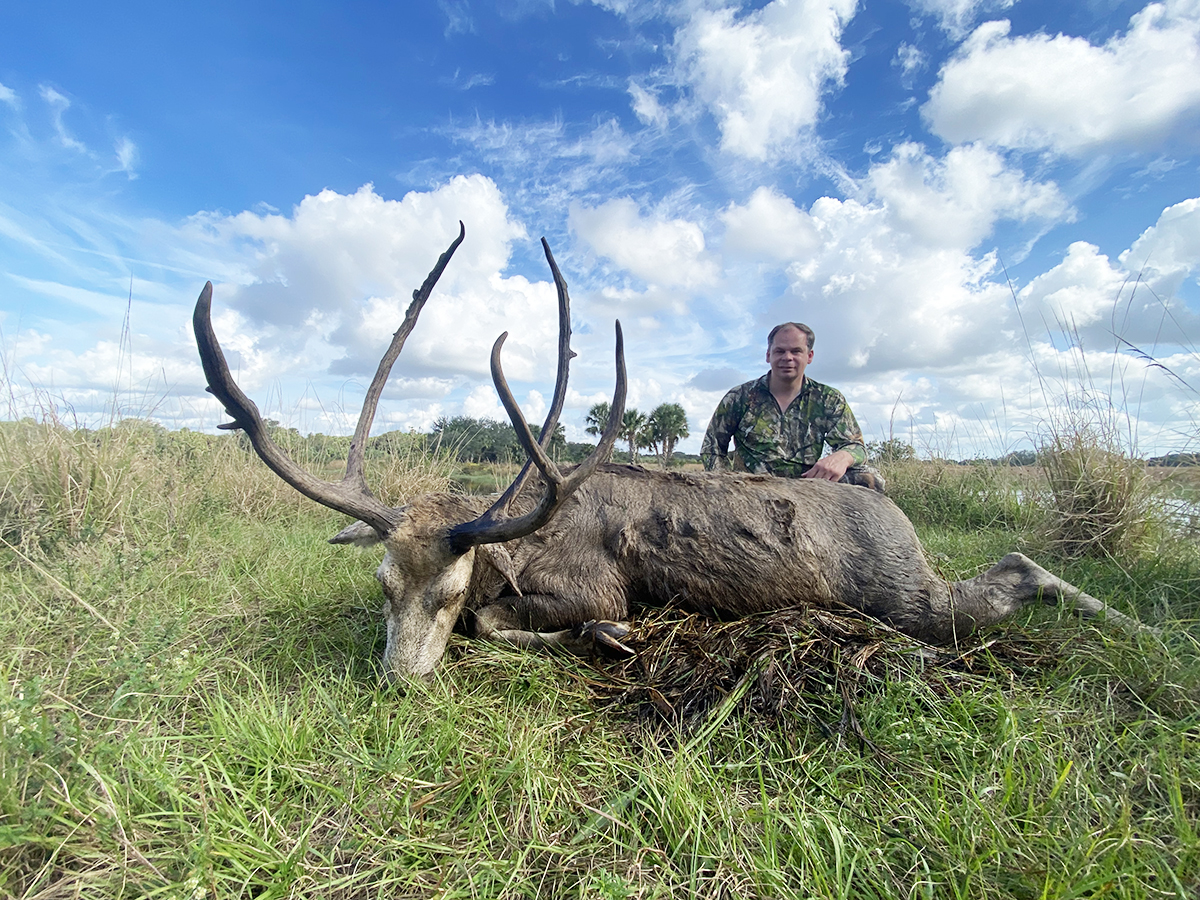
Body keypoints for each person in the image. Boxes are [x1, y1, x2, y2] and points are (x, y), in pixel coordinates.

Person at [700, 321, 885, 492]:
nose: (787, 358)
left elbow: (856, 447)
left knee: (869, 478)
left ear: (809, 356)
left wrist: (841, 457)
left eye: (796, 351)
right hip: (751, 489)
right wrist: (724, 485)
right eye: (780, 351)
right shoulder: (739, 397)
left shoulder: (828, 399)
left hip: (807, 486)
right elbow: (712, 447)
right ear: (768, 355)